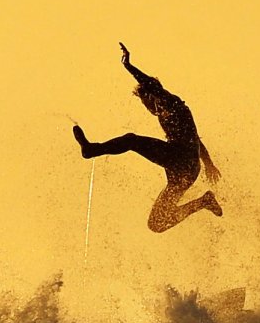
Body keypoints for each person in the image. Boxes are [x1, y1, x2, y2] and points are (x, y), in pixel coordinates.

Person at [73, 43, 223, 232]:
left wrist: (128, 66)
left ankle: (92, 149)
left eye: (146, 102)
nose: (148, 108)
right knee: (157, 223)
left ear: (153, 97)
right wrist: (208, 164)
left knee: (131, 140)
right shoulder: (171, 114)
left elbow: (151, 84)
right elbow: (197, 142)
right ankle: (203, 202)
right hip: (185, 172)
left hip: (181, 159)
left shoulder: (172, 104)